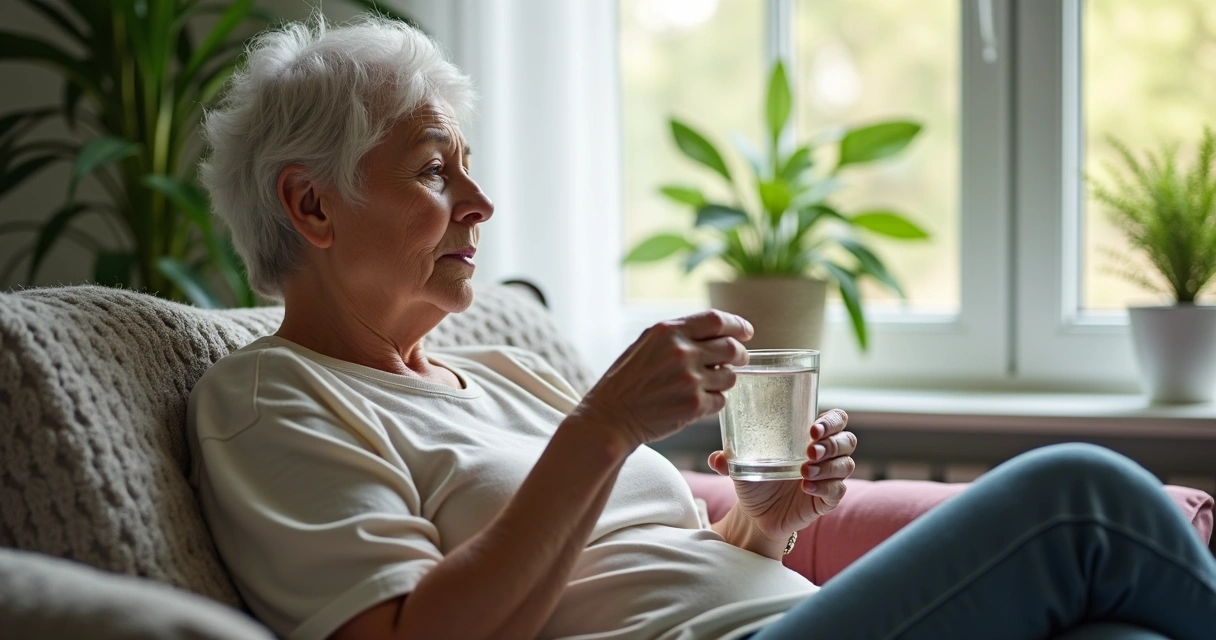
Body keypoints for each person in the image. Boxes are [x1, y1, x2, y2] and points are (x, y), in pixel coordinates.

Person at [188, 14, 1216, 640]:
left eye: (467, 164)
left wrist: (761, 523)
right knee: (1079, 497)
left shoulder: (498, 369)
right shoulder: (272, 397)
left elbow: (630, 573)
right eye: (431, 169)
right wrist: (600, 426)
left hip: (790, 618)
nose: (480, 202)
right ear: (311, 208)